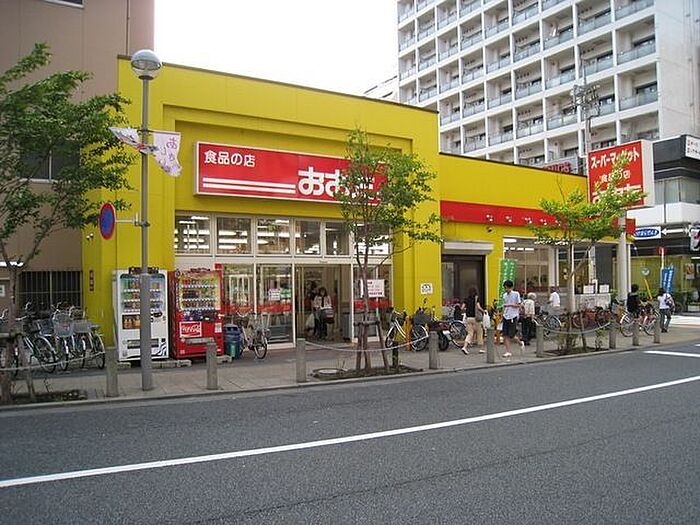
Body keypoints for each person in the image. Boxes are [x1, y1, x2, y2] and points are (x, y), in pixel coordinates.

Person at [502, 280, 524, 358]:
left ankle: (520, 343)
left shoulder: (516, 294)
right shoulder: (504, 295)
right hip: (506, 315)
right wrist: (503, 313)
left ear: (511, 287)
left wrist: (509, 305)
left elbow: (519, 305)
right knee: (505, 335)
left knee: (511, 335)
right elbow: (504, 306)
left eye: (507, 288)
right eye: (505, 288)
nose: (506, 289)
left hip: (513, 316)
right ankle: (508, 351)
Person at [462, 287, 485, 355]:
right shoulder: (476, 298)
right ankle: (481, 349)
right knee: (479, 332)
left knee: (470, 333)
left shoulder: (466, 299)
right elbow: (478, 307)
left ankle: (464, 347)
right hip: (475, 318)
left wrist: (467, 309)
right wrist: (483, 311)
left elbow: (462, 308)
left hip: (468, 318)